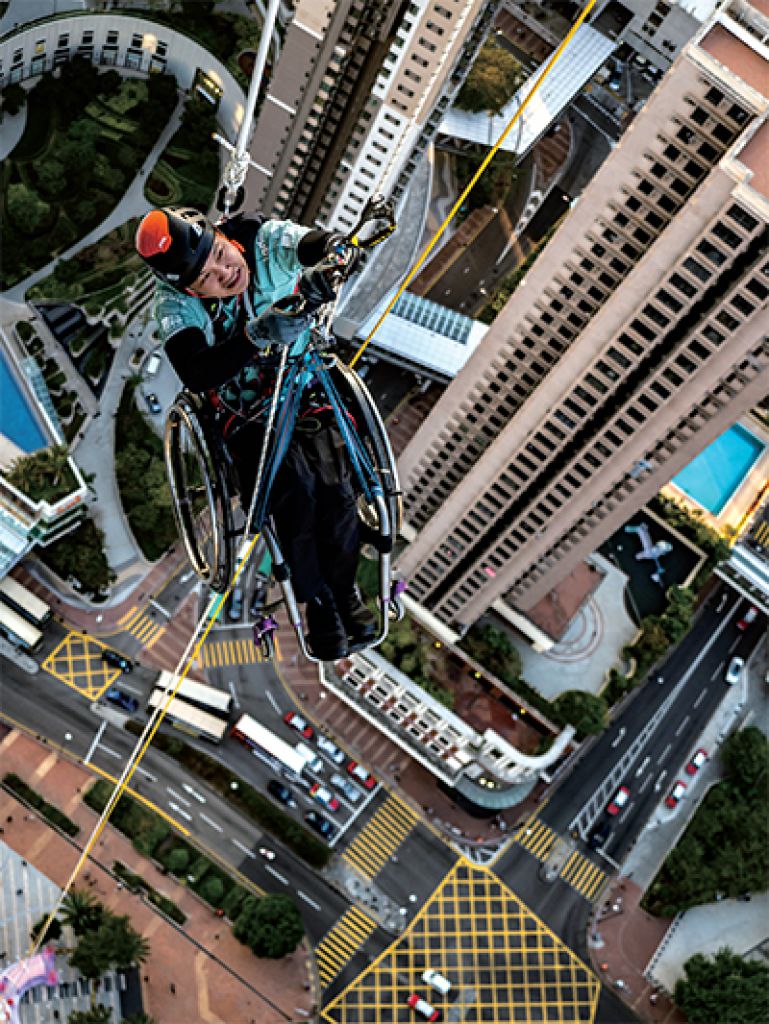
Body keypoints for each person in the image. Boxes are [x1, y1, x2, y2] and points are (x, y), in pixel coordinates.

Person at [135, 205, 376, 660]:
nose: (226, 273)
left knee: (334, 483)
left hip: (302, 384)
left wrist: (331, 254)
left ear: (224, 237)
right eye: (207, 277)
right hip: (242, 409)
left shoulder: (258, 239)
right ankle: (319, 601)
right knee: (293, 493)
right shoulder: (174, 306)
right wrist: (255, 336)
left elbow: (305, 243)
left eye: (222, 255)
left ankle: (344, 593)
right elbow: (197, 370)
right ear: (189, 287)